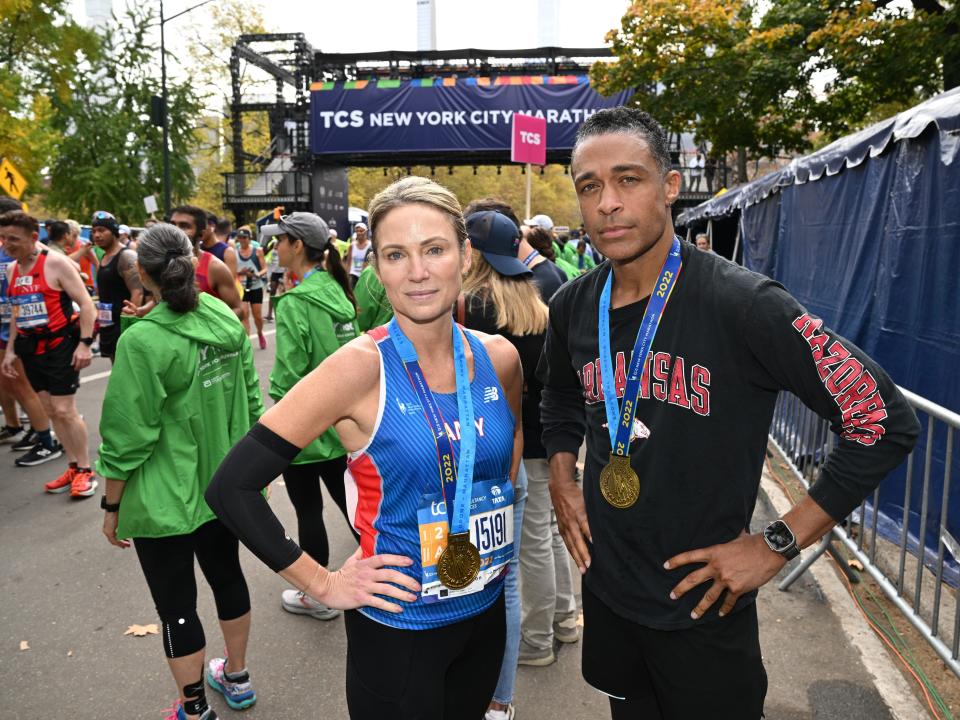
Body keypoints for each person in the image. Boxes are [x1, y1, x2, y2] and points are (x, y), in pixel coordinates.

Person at [538, 106, 920, 719]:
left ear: (669, 186)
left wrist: (777, 541)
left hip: (703, 609)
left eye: (629, 179)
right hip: (610, 594)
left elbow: (883, 421)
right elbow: (557, 394)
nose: (608, 202)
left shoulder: (744, 304)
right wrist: (561, 474)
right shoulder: (572, 305)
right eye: (590, 186)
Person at [206, 176, 524, 719]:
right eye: (396, 254)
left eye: (435, 250)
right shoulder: (358, 368)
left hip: (485, 614)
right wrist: (322, 582)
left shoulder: (499, 357)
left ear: (465, 256)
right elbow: (231, 487)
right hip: (399, 631)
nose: (418, 272)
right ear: (373, 266)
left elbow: (508, 441)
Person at [98, 224, 264, 720]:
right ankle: (237, 676)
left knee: (176, 605)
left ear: (142, 276)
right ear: (192, 264)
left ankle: (193, 709)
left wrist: (111, 505)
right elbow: (250, 397)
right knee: (228, 577)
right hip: (221, 484)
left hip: (164, 494)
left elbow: (128, 434)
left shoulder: (143, 343)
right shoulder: (219, 314)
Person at [459, 208, 542, 720]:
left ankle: (472, 692)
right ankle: (500, 701)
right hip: (520, 455)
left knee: (468, 586)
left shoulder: (472, 310)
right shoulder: (535, 302)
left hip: (478, 461)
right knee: (507, 583)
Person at [261, 211, 361, 620]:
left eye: (280, 240)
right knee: (356, 509)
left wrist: (279, 430)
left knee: (308, 512)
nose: (274, 247)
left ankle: (318, 597)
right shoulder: (339, 292)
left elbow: (287, 376)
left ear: (297, 245)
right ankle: (392, 575)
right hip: (345, 426)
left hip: (306, 428)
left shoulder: (296, 302)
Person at [0, 210, 98, 494]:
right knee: (49, 410)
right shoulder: (11, 270)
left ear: (33, 238)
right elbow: (17, 312)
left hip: (60, 346)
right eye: (3, 238)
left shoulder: (57, 263)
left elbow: (86, 303)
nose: (7, 244)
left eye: (14, 239)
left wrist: (85, 343)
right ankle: (72, 466)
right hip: (31, 349)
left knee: (65, 410)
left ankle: (85, 469)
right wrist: (11, 351)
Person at [0, 198, 57, 456]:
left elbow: (69, 274)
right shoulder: (9, 253)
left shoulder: (38, 250)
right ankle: (34, 429)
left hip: (37, 331)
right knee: (12, 382)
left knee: (27, 386)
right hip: (11, 324)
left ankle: (47, 440)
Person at [91, 211, 143, 363]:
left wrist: (129, 326)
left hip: (123, 325)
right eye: (94, 231)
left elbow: (138, 292)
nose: (97, 235)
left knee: (129, 371)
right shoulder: (105, 257)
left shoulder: (126, 256)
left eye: (102, 230)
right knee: (117, 369)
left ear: (114, 232)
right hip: (108, 323)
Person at [235, 226, 267, 349]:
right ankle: (247, 343)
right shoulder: (234, 252)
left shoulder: (257, 251)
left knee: (257, 316)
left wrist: (257, 274)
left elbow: (265, 268)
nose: (242, 240)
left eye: (245, 237)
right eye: (240, 238)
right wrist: (240, 272)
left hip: (255, 286)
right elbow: (232, 271)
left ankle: (259, 333)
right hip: (241, 288)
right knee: (244, 315)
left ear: (249, 238)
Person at [347, 222, 371, 288]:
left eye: (361, 231)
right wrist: (347, 276)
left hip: (365, 275)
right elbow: (349, 263)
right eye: (357, 231)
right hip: (353, 275)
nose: (358, 233)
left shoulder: (370, 246)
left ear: (366, 232)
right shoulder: (352, 245)